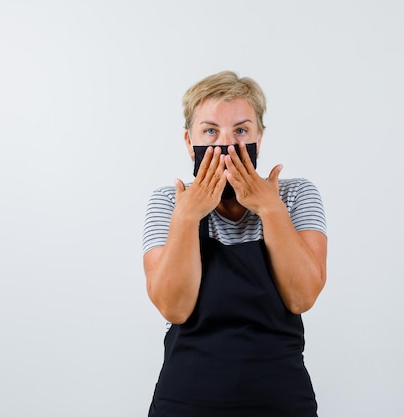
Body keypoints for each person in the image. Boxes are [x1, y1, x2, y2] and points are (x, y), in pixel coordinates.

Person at [142, 71, 327, 417]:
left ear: (259, 137)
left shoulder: (296, 194)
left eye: (241, 130)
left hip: (281, 403)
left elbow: (302, 296)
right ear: (188, 141)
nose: (225, 144)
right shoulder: (168, 202)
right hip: (184, 403)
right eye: (210, 131)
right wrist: (187, 217)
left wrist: (270, 208)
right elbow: (173, 308)